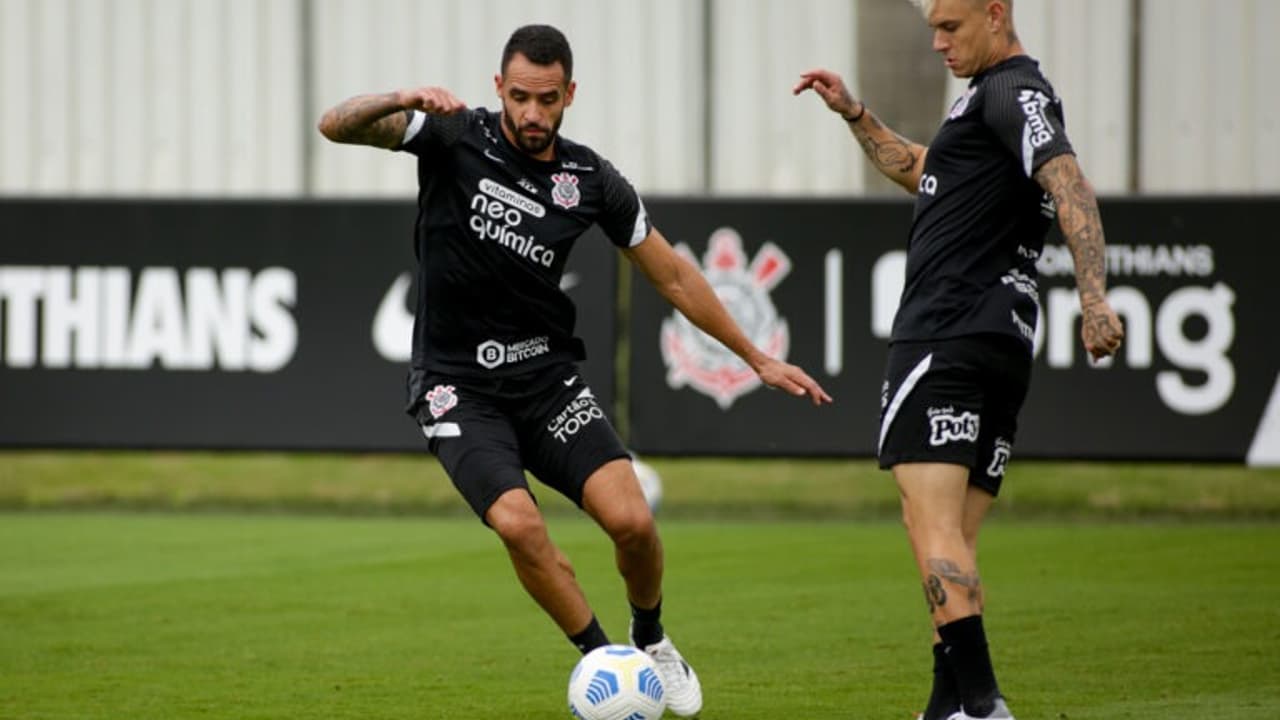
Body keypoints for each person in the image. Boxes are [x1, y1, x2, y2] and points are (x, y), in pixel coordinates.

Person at [319, 23, 832, 717]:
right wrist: (401, 96)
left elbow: (676, 277)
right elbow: (333, 125)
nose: (534, 114)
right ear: (499, 87)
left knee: (635, 524)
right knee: (519, 525)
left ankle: (648, 641)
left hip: (545, 381)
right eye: (522, 97)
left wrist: (758, 358)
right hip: (456, 387)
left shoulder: (591, 180)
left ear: (570, 95)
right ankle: (604, 664)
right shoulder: (451, 135)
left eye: (549, 99)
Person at [795, 1, 1123, 719]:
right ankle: (949, 705)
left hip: (946, 333)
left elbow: (1068, 181)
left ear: (996, 14)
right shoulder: (985, 101)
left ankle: (981, 705)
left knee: (931, 525)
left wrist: (1095, 297)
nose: (939, 43)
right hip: (1000, 340)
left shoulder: (1013, 89)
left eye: (951, 27)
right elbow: (929, 172)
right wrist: (856, 114)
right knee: (948, 535)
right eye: (933, 29)